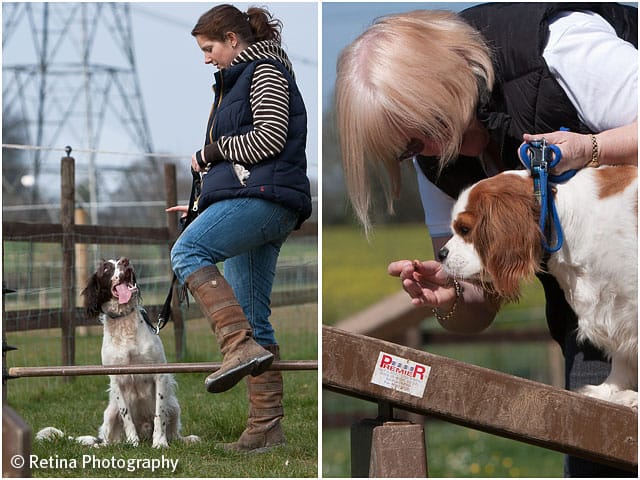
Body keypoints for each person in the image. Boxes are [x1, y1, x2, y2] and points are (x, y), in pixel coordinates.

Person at [335, 3, 637, 477]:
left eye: (421, 136)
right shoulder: (431, 159)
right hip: (595, 320)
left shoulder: (560, 48)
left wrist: (591, 147)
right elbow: (480, 305)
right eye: (406, 149)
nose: (422, 155)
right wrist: (451, 292)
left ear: (440, 88)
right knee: (601, 456)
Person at [168, 3, 311, 453]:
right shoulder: (239, 79)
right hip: (255, 200)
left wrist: (209, 153)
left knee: (186, 252)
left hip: (264, 201)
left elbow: (267, 139)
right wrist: (203, 200)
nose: (206, 58)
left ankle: (235, 347)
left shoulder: (265, 70)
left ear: (233, 40)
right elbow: (244, 160)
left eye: (209, 48)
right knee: (253, 318)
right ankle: (265, 429)